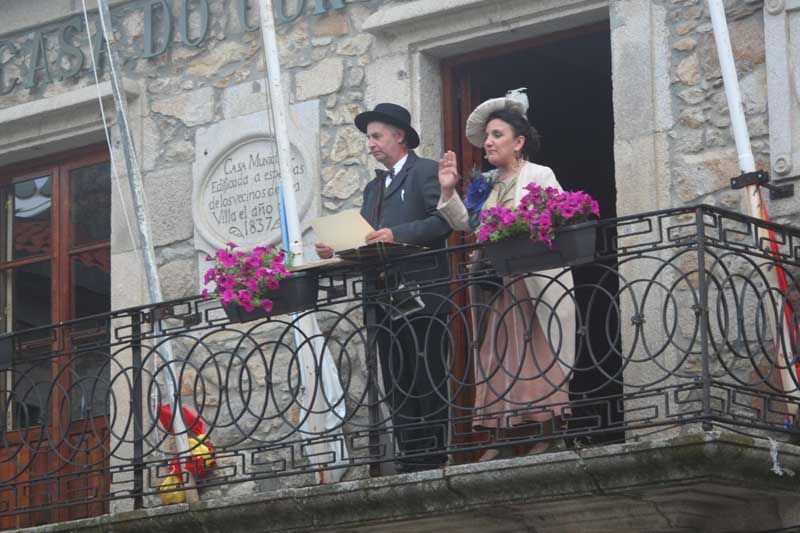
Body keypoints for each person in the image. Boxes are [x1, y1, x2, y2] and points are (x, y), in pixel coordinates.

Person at [437, 89, 576, 461]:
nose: (488, 143)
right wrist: (449, 190)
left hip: (533, 282)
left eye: (497, 135)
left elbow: (560, 217)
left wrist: (521, 225)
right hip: (496, 284)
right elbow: (468, 224)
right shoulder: (486, 183)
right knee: (497, 357)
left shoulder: (540, 174)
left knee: (538, 354)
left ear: (519, 142)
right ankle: (500, 437)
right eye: (487, 137)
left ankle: (550, 432)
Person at [316, 103, 452, 472]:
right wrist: (338, 248)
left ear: (399, 136)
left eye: (376, 136)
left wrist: (398, 233)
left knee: (428, 378)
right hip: (382, 300)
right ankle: (410, 460)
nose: (370, 144)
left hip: (423, 296)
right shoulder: (373, 188)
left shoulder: (426, 172)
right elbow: (368, 239)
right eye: (369, 138)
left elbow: (442, 221)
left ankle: (435, 460)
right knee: (396, 382)